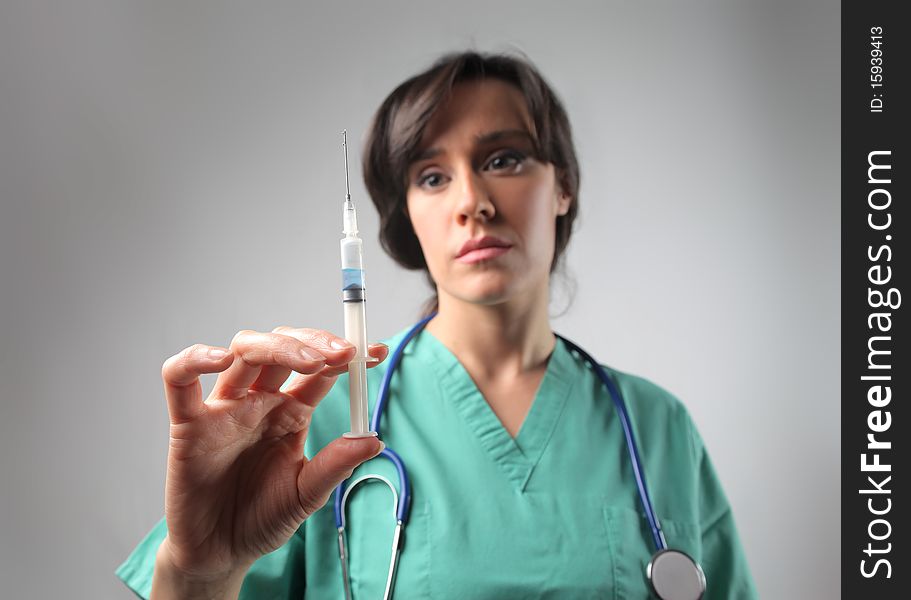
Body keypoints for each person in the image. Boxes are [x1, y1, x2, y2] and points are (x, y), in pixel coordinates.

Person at [117, 51, 758, 599]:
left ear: (562, 187)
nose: (471, 202)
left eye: (504, 159)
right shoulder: (315, 420)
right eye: (431, 176)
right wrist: (199, 574)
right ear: (407, 218)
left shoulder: (657, 428)